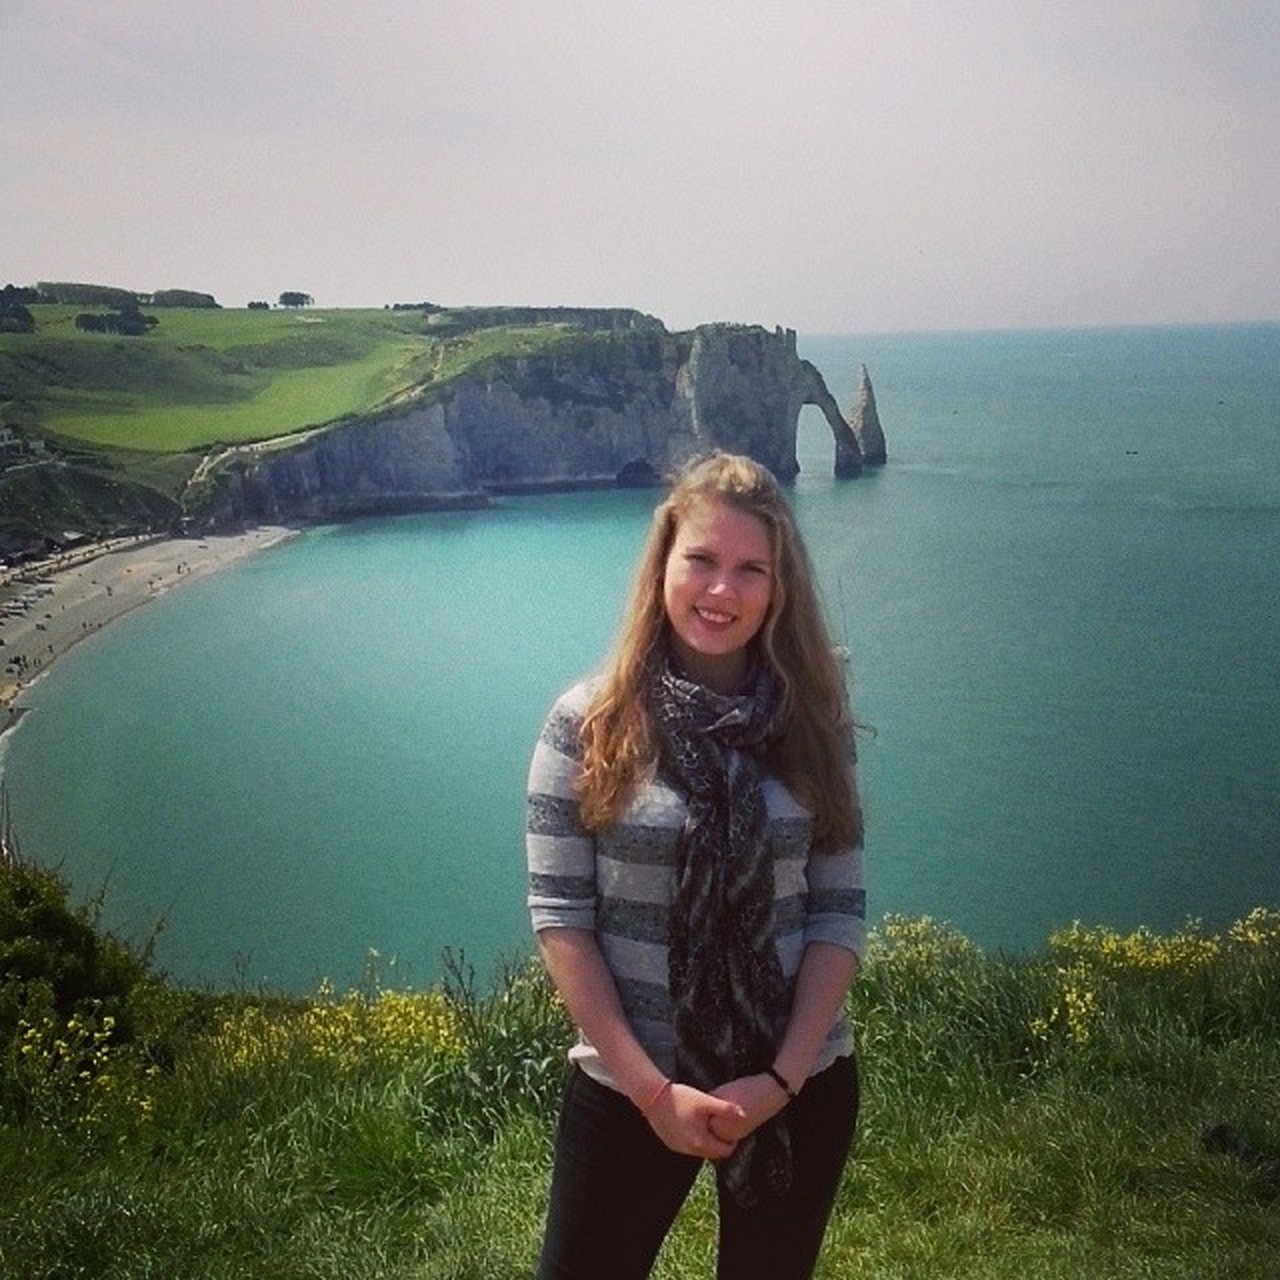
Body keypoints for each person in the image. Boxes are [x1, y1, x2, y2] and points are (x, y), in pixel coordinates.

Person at [526, 452, 866, 1280]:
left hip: (794, 1081)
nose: (722, 590)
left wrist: (779, 1080)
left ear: (779, 588)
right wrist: (653, 1092)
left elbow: (838, 909)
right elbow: (562, 919)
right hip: (631, 1085)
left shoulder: (814, 720)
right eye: (702, 560)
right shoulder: (589, 722)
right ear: (663, 565)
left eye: (751, 569)